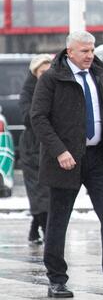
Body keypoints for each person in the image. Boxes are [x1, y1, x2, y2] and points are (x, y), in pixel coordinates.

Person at [30, 31, 103, 298]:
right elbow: (39, 118)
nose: (90, 55)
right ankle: (56, 279)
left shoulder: (98, 75)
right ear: (69, 52)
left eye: (92, 50)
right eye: (84, 51)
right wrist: (60, 151)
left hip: (97, 158)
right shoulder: (52, 78)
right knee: (58, 221)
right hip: (66, 159)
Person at [19, 54, 52, 245]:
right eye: (42, 73)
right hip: (32, 147)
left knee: (48, 191)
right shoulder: (28, 92)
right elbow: (27, 117)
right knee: (38, 191)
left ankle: (36, 226)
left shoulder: (56, 88)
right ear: (35, 73)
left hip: (51, 146)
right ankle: (44, 229)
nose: (46, 76)